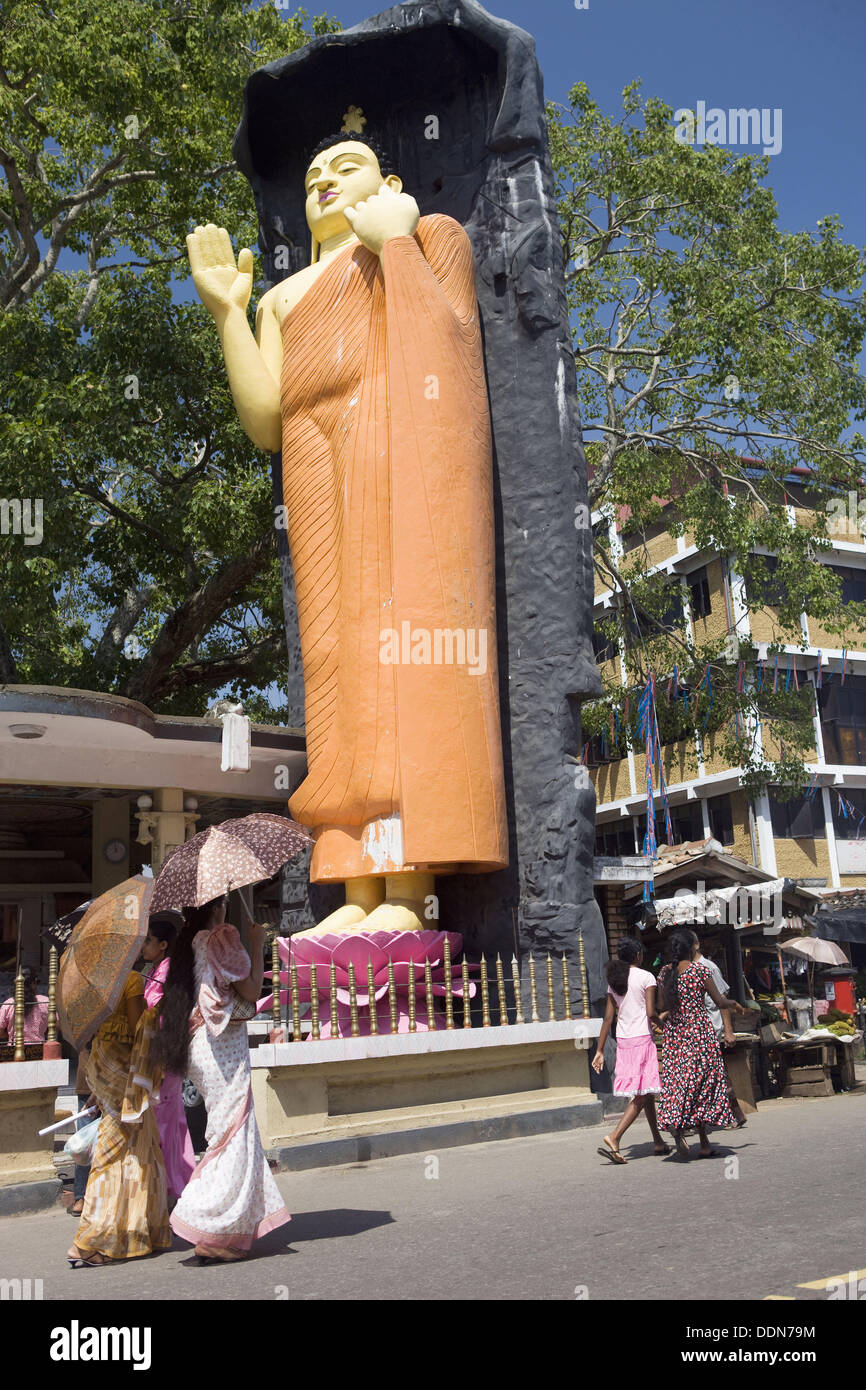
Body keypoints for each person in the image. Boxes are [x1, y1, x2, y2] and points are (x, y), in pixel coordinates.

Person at [186, 131, 508, 938]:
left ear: (389, 180)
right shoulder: (283, 297)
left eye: (345, 168)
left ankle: (408, 880)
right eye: (312, 177)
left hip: (393, 457)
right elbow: (266, 419)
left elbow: (451, 346)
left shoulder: (428, 238)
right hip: (315, 463)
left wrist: (394, 238)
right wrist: (229, 310)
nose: (325, 182)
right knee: (334, 664)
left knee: (392, 657)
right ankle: (354, 888)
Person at [154, 896, 290, 1263]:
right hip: (222, 1047)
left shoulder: (190, 943)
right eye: (225, 902)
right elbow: (248, 990)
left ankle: (226, 1228)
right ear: (217, 907)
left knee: (224, 1131)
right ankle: (207, 1221)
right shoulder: (221, 936)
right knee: (233, 1134)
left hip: (197, 1046)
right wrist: (258, 944)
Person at [66, 970, 170, 1267]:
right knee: (116, 1154)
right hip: (124, 1067)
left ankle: (138, 1230)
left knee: (134, 1148)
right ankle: (91, 1241)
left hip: (101, 1062)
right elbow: (140, 1026)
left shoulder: (88, 981)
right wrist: (158, 1011)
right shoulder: (130, 978)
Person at [657, 929, 749, 1159]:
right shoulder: (700, 971)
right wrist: (735, 1003)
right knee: (703, 1086)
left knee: (678, 1084)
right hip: (699, 1035)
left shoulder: (664, 973)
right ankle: (704, 1141)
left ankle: (677, 1127)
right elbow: (719, 1001)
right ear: (691, 948)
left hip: (675, 1036)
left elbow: (662, 1005)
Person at [592, 938, 671, 1163]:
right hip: (642, 1039)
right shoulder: (647, 977)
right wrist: (665, 1026)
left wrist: (599, 1050)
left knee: (644, 1091)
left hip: (624, 1041)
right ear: (637, 955)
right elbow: (650, 1011)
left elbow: (608, 1017)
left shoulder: (616, 980)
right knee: (642, 1093)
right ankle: (615, 1136)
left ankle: (657, 1140)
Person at [141, 916, 196, 1203]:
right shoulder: (153, 970)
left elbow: (164, 1016)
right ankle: (178, 1184)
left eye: (148, 940)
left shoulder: (166, 972)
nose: (144, 945)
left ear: (163, 944)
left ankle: (171, 1186)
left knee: (166, 1122)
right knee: (170, 1120)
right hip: (156, 1052)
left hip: (165, 1051)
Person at [696, 947, 748, 1128]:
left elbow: (722, 1000)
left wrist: (728, 1030)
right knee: (709, 1075)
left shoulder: (708, 967)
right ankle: (731, 1114)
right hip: (698, 1033)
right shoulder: (685, 969)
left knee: (718, 1074)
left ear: (695, 946)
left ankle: (734, 1113)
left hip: (713, 1029)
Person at [0, 967, 49, 1042]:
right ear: (34, 983)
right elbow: (58, 1025)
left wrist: (10, 1034)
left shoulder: (8, 1004)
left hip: (13, 1049)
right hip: (39, 1049)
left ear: (16, 982)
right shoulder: (45, 1001)